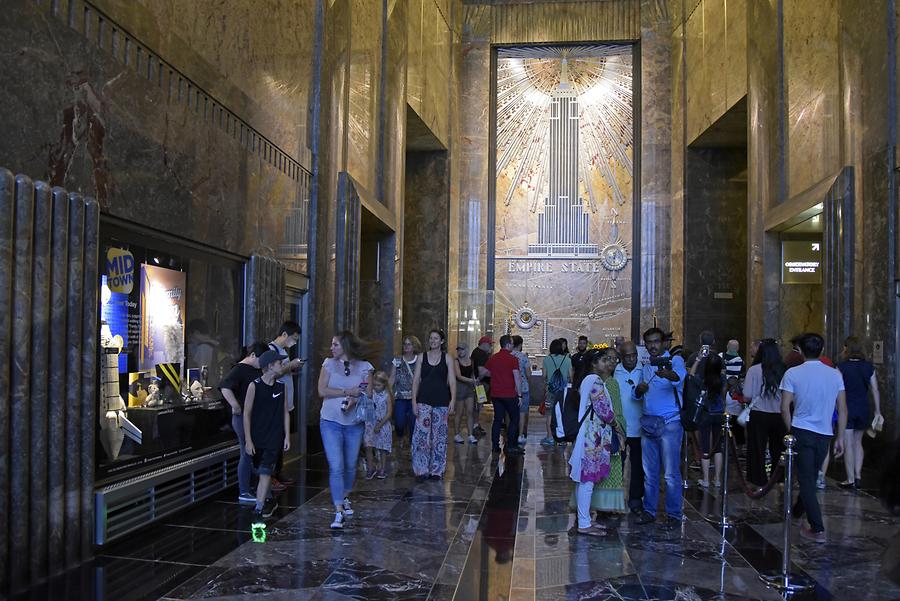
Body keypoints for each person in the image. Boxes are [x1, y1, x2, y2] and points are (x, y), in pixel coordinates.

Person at [780, 332, 848, 543]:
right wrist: (841, 437)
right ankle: (799, 511)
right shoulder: (835, 374)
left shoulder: (793, 373)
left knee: (807, 479)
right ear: (822, 350)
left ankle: (817, 527)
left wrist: (791, 429)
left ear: (800, 350)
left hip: (801, 430)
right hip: (825, 434)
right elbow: (843, 409)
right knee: (809, 475)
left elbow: (784, 407)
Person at [317, 330, 376, 529]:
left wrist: (355, 398)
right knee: (336, 465)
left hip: (353, 424)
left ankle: (344, 496)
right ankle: (338, 510)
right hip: (330, 421)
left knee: (350, 465)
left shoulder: (365, 367)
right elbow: (321, 390)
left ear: (346, 347)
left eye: (335, 344)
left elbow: (367, 392)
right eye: (331, 344)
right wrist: (345, 392)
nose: (331, 347)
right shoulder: (328, 364)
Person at [634, 327, 687, 525]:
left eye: (656, 342)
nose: (652, 346)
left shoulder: (675, 361)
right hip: (648, 423)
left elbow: (680, 378)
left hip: (670, 423)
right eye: (649, 342)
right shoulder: (646, 363)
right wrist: (638, 390)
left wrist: (668, 374)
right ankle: (649, 510)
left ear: (664, 342)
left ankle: (673, 514)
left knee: (671, 473)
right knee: (650, 472)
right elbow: (637, 393)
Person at [569, 348, 623, 535]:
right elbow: (603, 409)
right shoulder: (595, 381)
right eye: (604, 360)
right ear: (594, 363)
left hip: (590, 434)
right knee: (587, 479)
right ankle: (584, 524)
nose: (608, 363)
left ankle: (584, 520)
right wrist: (616, 425)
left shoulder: (588, 380)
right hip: (591, 437)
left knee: (585, 479)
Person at [243, 350, 291, 520]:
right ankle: (269, 499)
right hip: (258, 437)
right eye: (279, 363)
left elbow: (285, 412)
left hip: (274, 437)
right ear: (270, 366)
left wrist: (287, 436)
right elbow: (246, 414)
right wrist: (248, 440)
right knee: (261, 470)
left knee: (265, 471)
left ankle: (259, 507)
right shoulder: (254, 386)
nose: (282, 365)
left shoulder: (281, 387)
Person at [219, 342, 268, 504]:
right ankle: (244, 491)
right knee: (247, 452)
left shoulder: (254, 369)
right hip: (242, 418)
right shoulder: (239, 369)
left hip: (253, 416)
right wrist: (235, 405)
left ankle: (252, 487)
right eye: (261, 359)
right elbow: (225, 387)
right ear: (253, 355)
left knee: (252, 452)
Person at [836, 336, 882, 489]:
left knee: (848, 443)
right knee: (858, 442)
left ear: (846, 349)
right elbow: (875, 389)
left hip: (847, 408)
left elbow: (836, 389)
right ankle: (858, 475)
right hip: (863, 408)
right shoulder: (868, 367)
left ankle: (849, 479)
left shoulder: (841, 367)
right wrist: (878, 410)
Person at [412, 329, 456, 481]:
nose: (433, 341)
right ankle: (421, 469)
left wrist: (453, 400)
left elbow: (452, 380)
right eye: (431, 338)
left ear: (442, 341)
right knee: (422, 436)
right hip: (423, 399)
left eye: (436, 338)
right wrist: (413, 401)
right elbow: (416, 380)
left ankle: (436, 470)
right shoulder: (421, 357)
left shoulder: (448, 358)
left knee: (439, 437)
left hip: (441, 401)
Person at [744, 339, 787, 487]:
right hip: (779, 414)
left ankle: (758, 478)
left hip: (759, 413)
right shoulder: (783, 370)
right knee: (778, 449)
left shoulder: (754, 370)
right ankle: (779, 478)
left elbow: (747, 394)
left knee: (757, 448)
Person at [268, 321, 305, 488]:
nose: (294, 343)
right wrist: (289, 365)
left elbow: (283, 371)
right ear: (284, 334)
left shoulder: (283, 351)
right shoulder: (270, 350)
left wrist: (292, 368)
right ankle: (271, 475)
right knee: (274, 440)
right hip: (275, 401)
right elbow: (271, 375)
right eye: (293, 338)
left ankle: (278, 471)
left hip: (285, 399)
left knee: (281, 437)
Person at [481, 335, 524, 454]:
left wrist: (495, 376)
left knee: (497, 420)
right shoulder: (512, 359)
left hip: (496, 394)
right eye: (511, 343)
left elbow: (484, 372)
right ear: (509, 344)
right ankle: (511, 445)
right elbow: (517, 378)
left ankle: (495, 446)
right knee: (514, 419)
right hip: (509, 394)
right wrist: (519, 395)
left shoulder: (493, 358)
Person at [615, 341, 644, 515]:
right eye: (628, 356)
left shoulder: (644, 371)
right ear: (621, 357)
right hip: (620, 427)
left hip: (639, 426)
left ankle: (635, 498)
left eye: (634, 355)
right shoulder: (614, 371)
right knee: (617, 464)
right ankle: (615, 499)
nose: (632, 359)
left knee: (638, 465)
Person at [690, 352, 725, 489]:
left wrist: (697, 360)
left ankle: (705, 479)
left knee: (705, 446)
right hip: (719, 413)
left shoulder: (703, 380)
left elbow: (691, 375)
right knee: (717, 447)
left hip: (706, 413)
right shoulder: (721, 379)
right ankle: (717, 479)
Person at [389, 335, 421, 449]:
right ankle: (400, 435)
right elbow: (392, 377)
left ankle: (412, 442)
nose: (406, 346)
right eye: (405, 344)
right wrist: (387, 391)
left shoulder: (419, 360)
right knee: (399, 422)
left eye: (409, 344)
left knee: (413, 423)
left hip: (415, 397)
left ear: (414, 346)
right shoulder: (397, 360)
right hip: (400, 397)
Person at [541, 338, 572, 446]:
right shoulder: (567, 360)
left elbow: (543, 376)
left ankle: (549, 437)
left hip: (550, 391)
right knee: (562, 414)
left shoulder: (546, 359)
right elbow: (570, 376)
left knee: (549, 414)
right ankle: (561, 439)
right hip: (563, 391)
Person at [364, 371, 393, 480]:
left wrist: (380, 425)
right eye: (374, 384)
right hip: (370, 423)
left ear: (384, 384)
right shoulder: (372, 393)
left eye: (378, 385)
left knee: (382, 448)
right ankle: (370, 468)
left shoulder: (386, 395)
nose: (376, 387)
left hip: (383, 424)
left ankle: (382, 468)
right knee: (368, 446)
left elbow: (389, 413)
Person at [453, 341, 478, 444]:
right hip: (460, 387)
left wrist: (475, 383)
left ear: (466, 350)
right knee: (459, 412)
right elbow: (458, 376)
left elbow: (472, 374)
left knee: (470, 412)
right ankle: (457, 434)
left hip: (469, 387)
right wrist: (472, 381)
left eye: (462, 349)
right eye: (458, 349)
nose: (460, 351)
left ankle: (470, 434)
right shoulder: (456, 361)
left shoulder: (471, 361)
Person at [470, 336, 493, 436]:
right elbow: (482, 371)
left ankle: (476, 424)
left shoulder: (477, 352)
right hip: (481, 384)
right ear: (484, 344)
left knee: (478, 405)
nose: (491, 346)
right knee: (478, 405)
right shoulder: (481, 354)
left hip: (480, 383)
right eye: (490, 344)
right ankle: (475, 425)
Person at [512, 335, 531, 446]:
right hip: (523, 387)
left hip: (510, 388)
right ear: (520, 344)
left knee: (509, 412)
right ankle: (520, 435)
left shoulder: (508, 356)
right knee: (522, 412)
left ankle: (511, 434)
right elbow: (528, 373)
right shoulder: (523, 357)